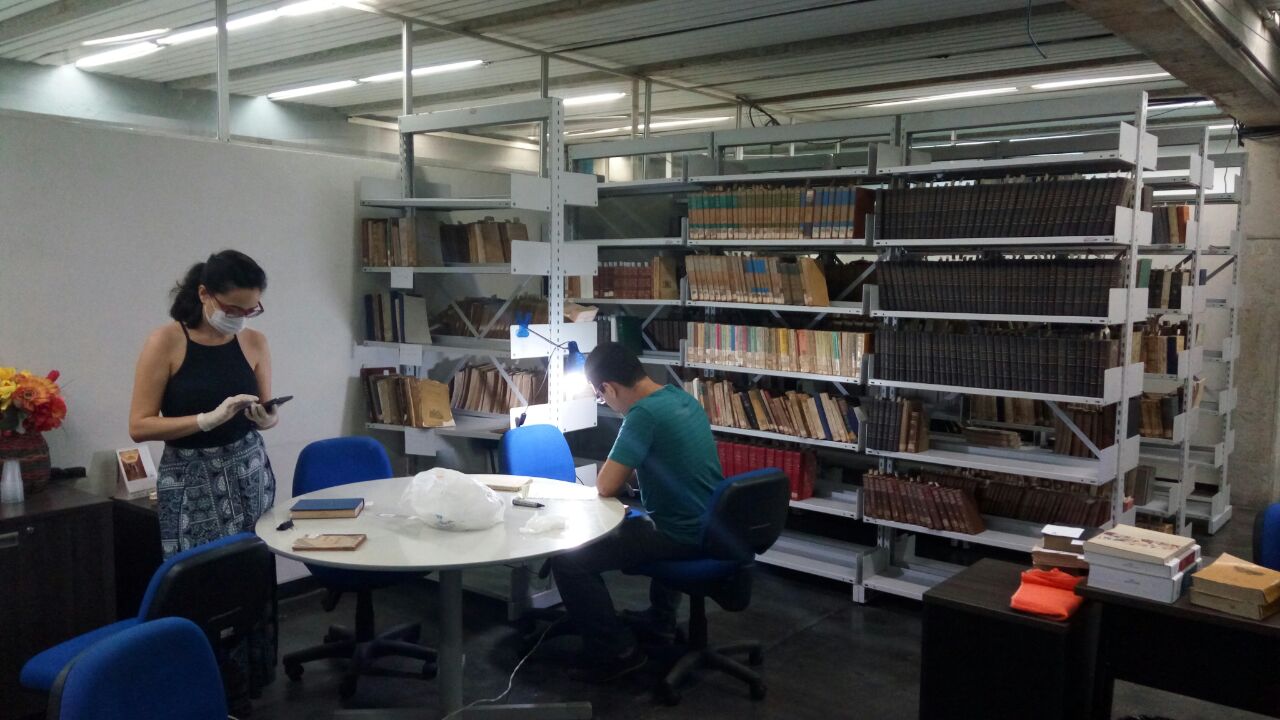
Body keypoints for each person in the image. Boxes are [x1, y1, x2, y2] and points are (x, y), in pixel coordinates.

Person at [127, 250, 279, 705]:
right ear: (204, 294)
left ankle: (247, 683)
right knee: (201, 585)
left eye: (250, 309)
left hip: (247, 472)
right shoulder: (167, 342)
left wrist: (266, 417)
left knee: (248, 578)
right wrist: (204, 420)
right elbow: (139, 425)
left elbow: (267, 409)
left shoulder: (254, 342)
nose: (240, 317)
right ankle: (199, 689)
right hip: (192, 477)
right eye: (233, 308)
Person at [551, 342, 723, 683]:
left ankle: (616, 652)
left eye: (601, 397)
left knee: (569, 560)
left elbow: (605, 486)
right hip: (710, 523)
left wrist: (617, 476)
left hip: (680, 533)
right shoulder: (679, 398)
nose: (606, 403)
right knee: (642, 520)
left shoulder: (642, 415)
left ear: (609, 388)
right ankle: (661, 622)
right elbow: (662, 460)